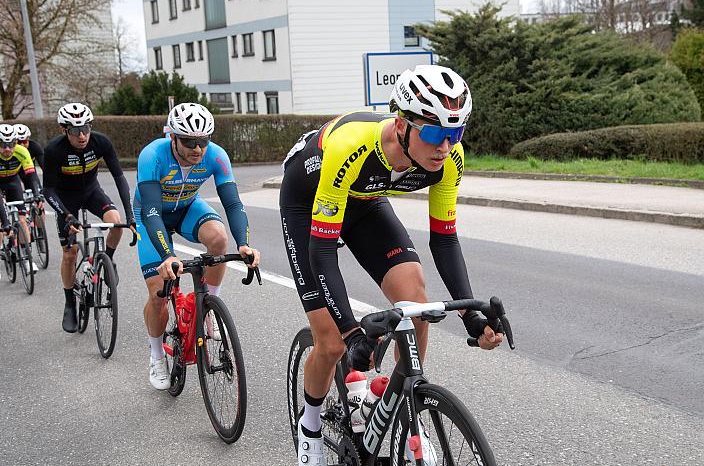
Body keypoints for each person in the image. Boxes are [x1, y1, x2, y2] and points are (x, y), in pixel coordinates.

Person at [279, 65, 504, 465]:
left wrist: (470, 312)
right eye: (435, 132)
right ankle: (310, 426)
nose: (445, 146)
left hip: (365, 202)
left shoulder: (449, 160)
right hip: (307, 201)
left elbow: (445, 239)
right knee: (330, 342)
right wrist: (352, 333)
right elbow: (322, 251)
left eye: (456, 133)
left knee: (417, 301)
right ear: (402, 125)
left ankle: (400, 410)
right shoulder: (353, 145)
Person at [134, 102, 260, 390]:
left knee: (219, 238)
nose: (198, 149)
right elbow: (152, 210)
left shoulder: (216, 156)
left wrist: (245, 245)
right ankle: (156, 356)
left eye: (203, 141)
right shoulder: (153, 155)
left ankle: (207, 310)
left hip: (187, 208)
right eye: (189, 141)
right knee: (158, 294)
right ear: (173, 138)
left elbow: (232, 203)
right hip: (151, 216)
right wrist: (167, 255)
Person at [43, 102, 135, 333]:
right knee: (70, 253)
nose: (82, 135)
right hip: (66, 199)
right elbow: (48, 191)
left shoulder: (100, 142)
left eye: (86, 128)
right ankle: (69, 303)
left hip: (92, 191)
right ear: (64, 131)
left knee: (116, 222)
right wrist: (66, 216)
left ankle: (108, 260)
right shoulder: (54, 150)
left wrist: (130, 214)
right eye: (75, 131)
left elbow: (119, 177)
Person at [0, 124, 42, 274]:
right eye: (3, 145)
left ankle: (26, 259)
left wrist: (37, 193)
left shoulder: (22, 151)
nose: (7, 149)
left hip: (13, 182)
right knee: (2, 220)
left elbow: (31, 176)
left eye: (11, 144)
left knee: (23, 219)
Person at [13, 124, 45, 192]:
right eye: (18, 142)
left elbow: (45, 167)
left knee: (38, 193)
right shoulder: (8, 150)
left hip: (30, 174)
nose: (22, 145)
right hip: (14, 176)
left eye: (24, 142)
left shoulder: (34, 146)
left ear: (28, 139)